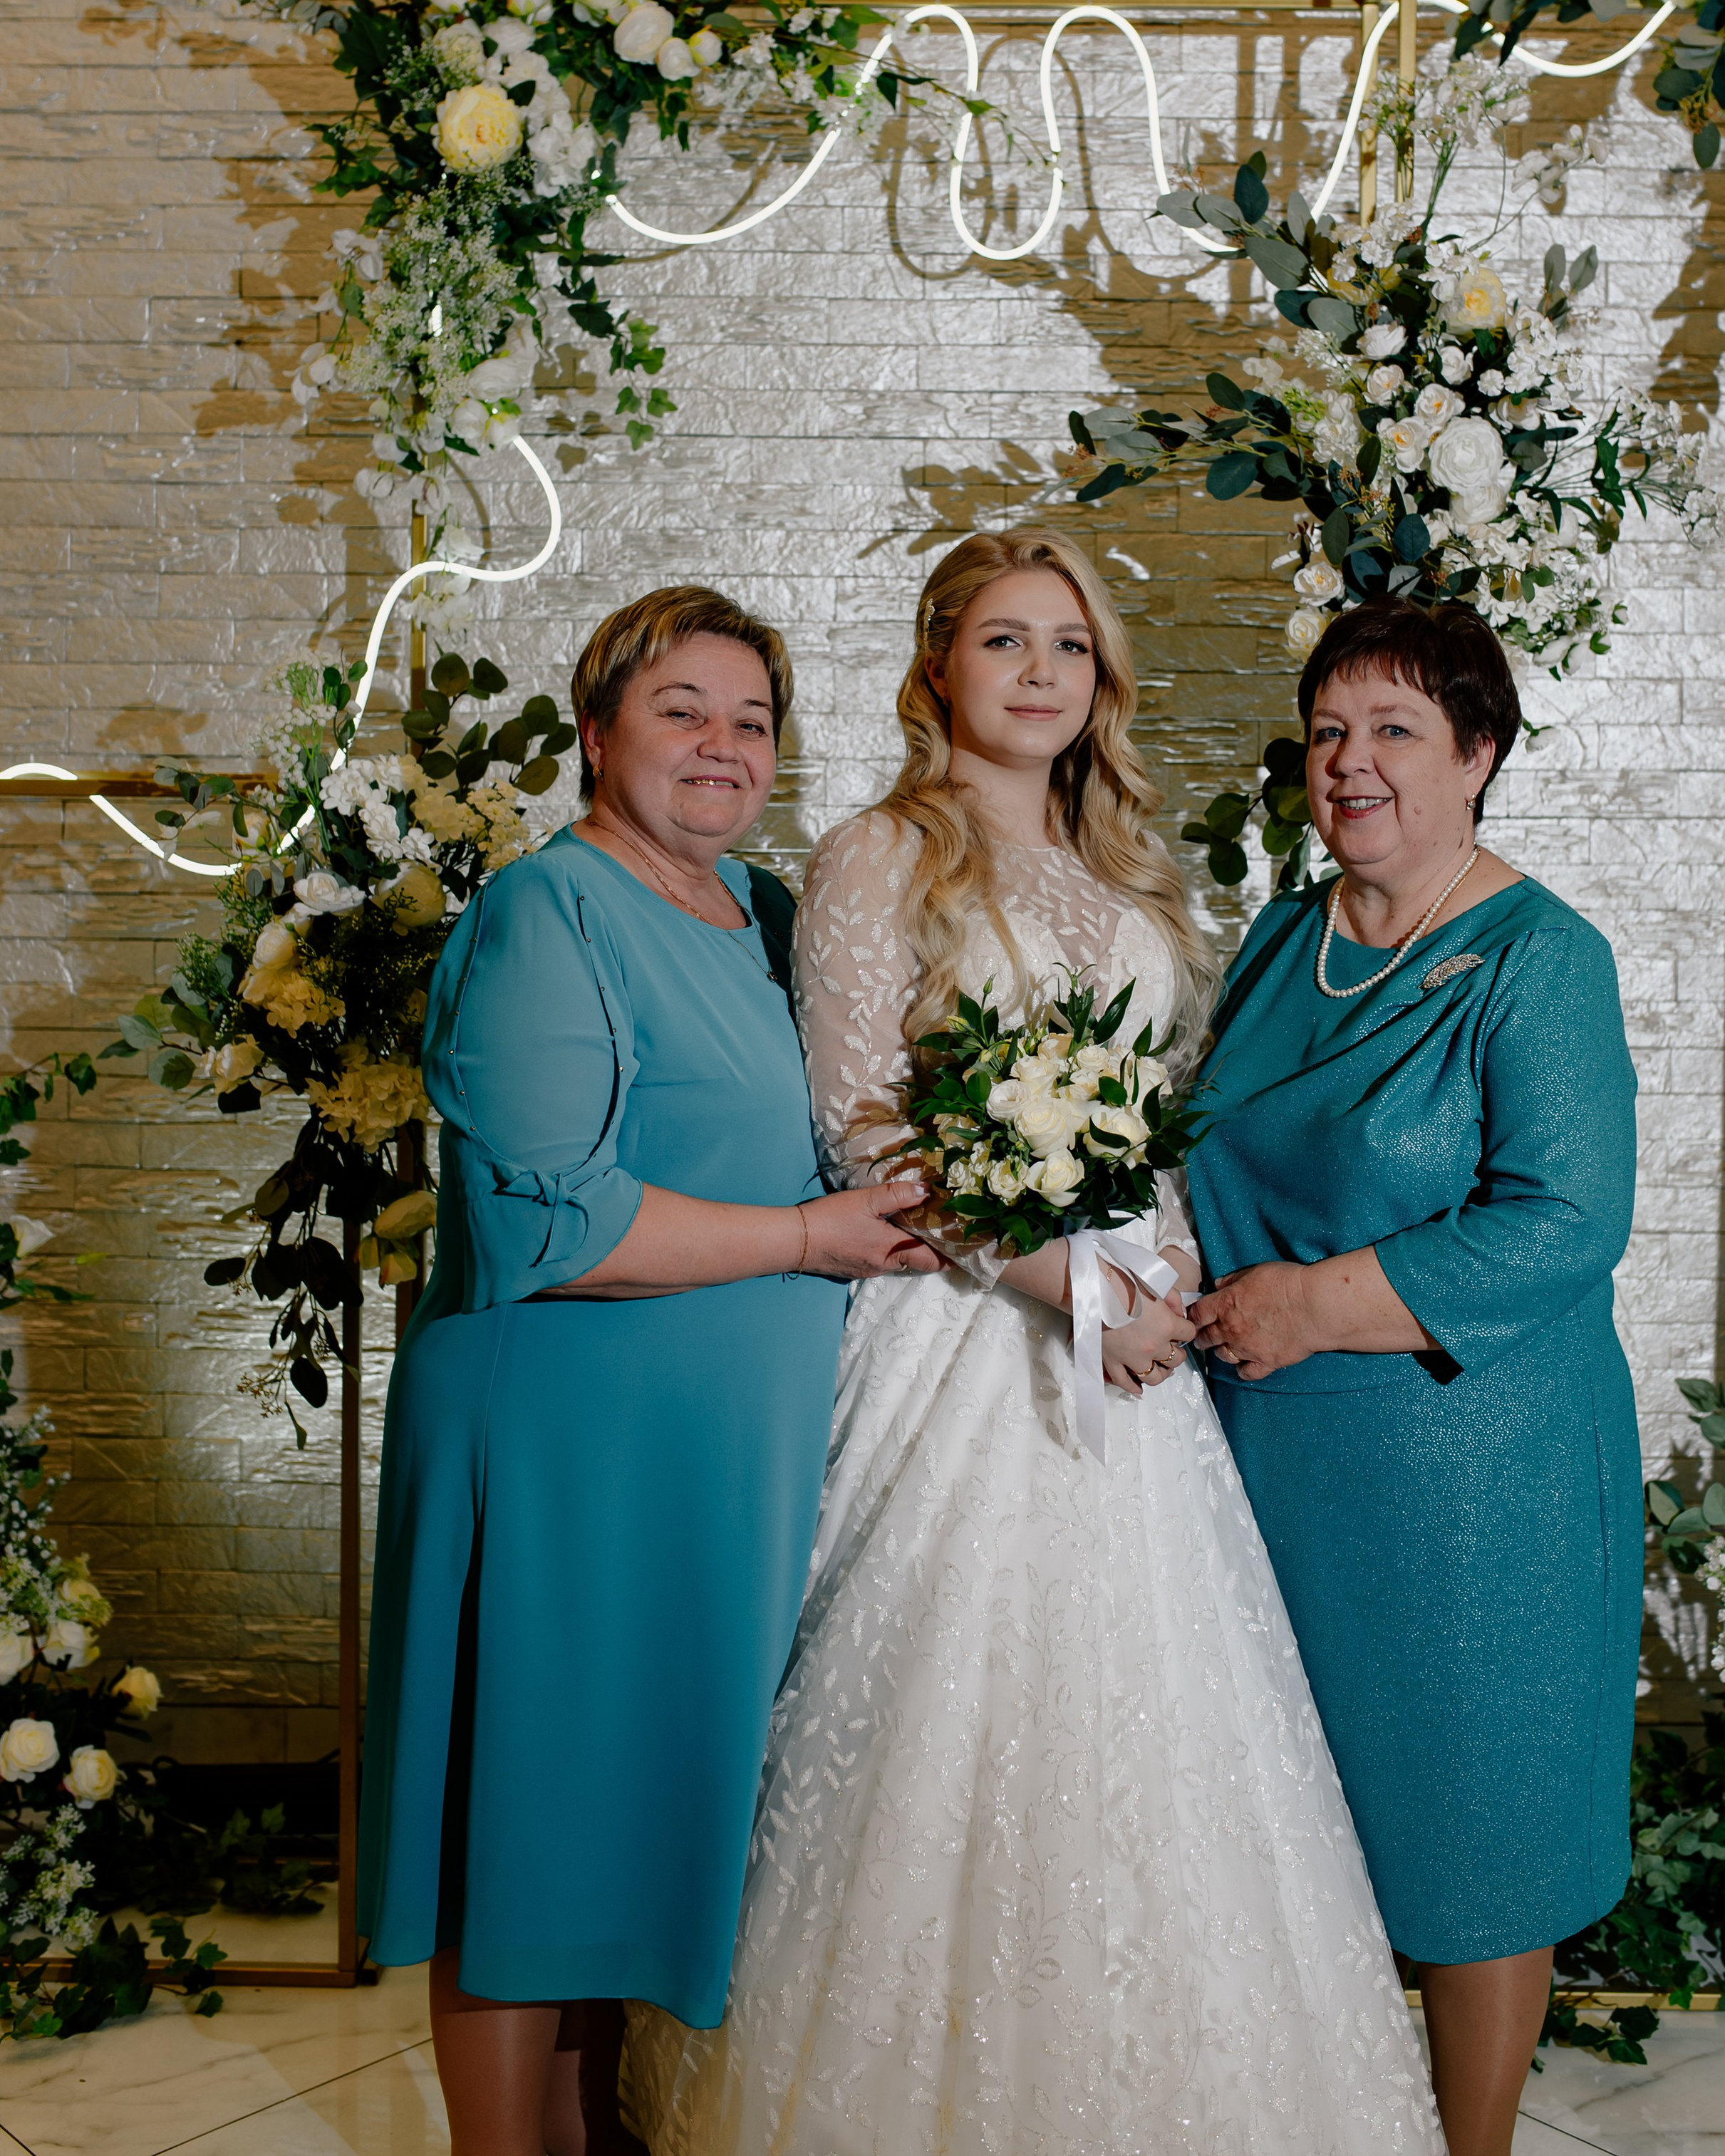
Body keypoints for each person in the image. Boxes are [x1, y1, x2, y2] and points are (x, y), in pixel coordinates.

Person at [628, 532, 1444, 2156]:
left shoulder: (1125, 872)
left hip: (1138, 1342)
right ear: (939, 667)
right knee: (942, 1724)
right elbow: (866, 1132)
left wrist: (1168, 1269)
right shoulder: (876, 855)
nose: (1036, 672)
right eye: (1001, 640)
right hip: (962, 1334)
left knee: (1158, 1731)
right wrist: (1065, 1284)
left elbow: (1158, 1127)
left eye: (1067, 644)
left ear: (1099, 680)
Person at [357, 586, 938, 2156]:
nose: (721, 743)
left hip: (704, 1469)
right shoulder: (546, 913)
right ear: (598, 728)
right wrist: (815, 1236)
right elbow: (548, 1211)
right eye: (682, 707)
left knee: (621, 1846)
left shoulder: (755, 915)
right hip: (562, 1450)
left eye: (751, 720)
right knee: (526, 1843)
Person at [1186, 597, 1641, 2156]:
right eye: (1326, 730)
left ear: (1477, 757)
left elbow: (1568, 1221)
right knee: (1300, 1824)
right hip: (1271, 1462)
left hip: (1470, 1478)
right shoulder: (1277, 937)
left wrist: (1314, 1300)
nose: (1350, 762)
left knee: (1471, 1831)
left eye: (1392, 730)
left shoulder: (1535, 957)